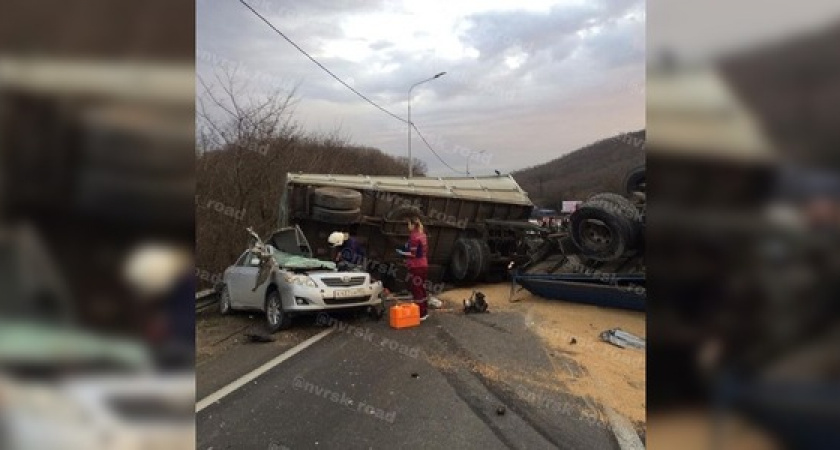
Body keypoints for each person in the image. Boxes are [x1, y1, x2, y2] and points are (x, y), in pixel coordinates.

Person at [397, 215, 429, 321]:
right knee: (422, 288)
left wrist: (402, 253)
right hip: (423, 265)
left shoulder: (414, 237)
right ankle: (425, 311)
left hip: (416, 266)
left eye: (408, 224)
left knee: (417, 289)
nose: (408, 227)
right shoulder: (423, 235)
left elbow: (413, 254)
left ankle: (420, 313)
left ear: (412, 225)